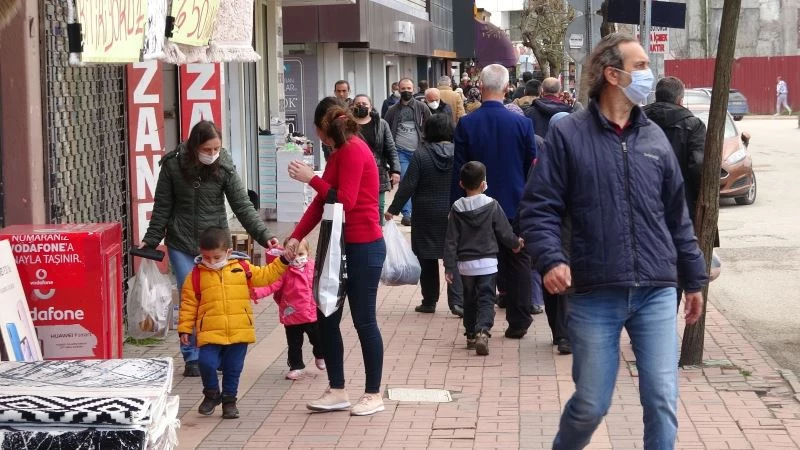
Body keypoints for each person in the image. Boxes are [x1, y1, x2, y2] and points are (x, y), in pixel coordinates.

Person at [518, 33, 707, 449]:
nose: (649, 74)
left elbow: (678, 218)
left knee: (661, 397)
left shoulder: (655, 137)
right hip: (594, 291)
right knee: (591, 403)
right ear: (612, 75)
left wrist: (693, 279)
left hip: (656, 290)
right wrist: (550, 259)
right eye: (640, 66)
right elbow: (538, 207)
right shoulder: (568, 135)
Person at [142, 120, 279, 378]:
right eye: (207, 149)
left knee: (214, 297)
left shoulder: (224, 166)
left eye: (216, 148)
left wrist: (264, 236)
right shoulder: (173, 165)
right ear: (195, 146)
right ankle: (192, 355)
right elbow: (162, 206)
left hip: (215, 245)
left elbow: (242, 205)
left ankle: (212, 351)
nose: (213, 153)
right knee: (190, 294)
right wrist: (151, 239)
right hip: (181, 241)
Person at [285, 98, 386, 416]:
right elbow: (322, 201)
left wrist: (310, 178)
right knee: (326, 316)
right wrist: (296, 235)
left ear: (321, 130)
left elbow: (346, 200)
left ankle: (373, 394)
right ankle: (338, 389)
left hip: (364, 246)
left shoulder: (354, 151)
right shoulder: (339, 153)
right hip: (341, 246)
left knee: (364, 320)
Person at [452, 64, 537, 340]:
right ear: (506, 87)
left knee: (476, 264)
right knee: (518, 260)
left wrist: (457, 205)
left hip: (475, 206)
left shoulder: (467, 124)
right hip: (514, 201)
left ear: (481, 85)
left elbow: (459, 169)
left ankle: (476, 322)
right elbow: (529, 164)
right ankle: (519, 319)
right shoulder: (522, 124)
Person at [178, 226, 290, 419]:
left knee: (233, 368)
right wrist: (185, 329)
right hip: (210, 331)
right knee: (205, 362)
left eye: (216, 257)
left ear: (228, 253)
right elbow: (188, 303)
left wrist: (284, 260)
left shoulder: (243, 268)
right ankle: (212, 393)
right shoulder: (195, 275)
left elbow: (266, 275)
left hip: (239, 331)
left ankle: (229, 401)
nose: (211, 262)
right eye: (206, 257)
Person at [643, 76, 714, 310]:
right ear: (680, 99)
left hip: (641, 204)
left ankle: (645, 321)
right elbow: (698, 168)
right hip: (679, 207)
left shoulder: (638, 119)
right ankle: (665, 318)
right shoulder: (692, 125)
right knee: (676, 265)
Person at [385, 113, 464, 317]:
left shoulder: (421, 154)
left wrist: (393, 209)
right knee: (453, 255)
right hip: (453, 212)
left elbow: (408, 185)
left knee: (426, 258)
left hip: (426, 213)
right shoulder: (459, 153)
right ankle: (457, 302)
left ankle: (429, 301)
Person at [444, 161, 523, 356]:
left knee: (469, 300)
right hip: (488, 262)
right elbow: (504, 231)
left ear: (461, 184)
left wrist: (449, 266)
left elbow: (451, 240)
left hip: (465, 265)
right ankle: (482, 331)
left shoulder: (456, 208)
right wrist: (516, 244)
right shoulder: (492, 205)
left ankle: (470, 333)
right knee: (487, 298)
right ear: (484, 183)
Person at [252, 238, 324, 381]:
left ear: (308, 252)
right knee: (294, 344)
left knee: (319, 339)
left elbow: (324, 283)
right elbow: (270, 284)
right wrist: (255, 292)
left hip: (312, 313)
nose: (297, 258)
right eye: (293, 255)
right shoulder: (283, 271)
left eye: (300, 253)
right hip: (292, 315)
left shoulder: (314, 267)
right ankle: (296, 366)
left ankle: (320, 355)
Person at [384, 78, 432, 227]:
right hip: (400, 152)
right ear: (398, 89)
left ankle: (418, 211)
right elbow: (385, 129)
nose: (406, 91)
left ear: (414, 89)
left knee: (420, 183)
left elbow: (430, 125)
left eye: (409, 88)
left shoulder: (422, 107)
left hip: (419, 151)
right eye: (403, 88)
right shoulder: (392, 110)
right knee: (405, 181)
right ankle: (407, 214)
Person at [352, 94, 401, 224]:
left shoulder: (381, 124)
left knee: (378, 206)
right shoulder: (347, 125)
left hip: (377, 171)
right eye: (358, 104)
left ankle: (377, 234)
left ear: (371, 107)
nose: (361, 106)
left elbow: (390, 148)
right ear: (352, 106)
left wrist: (395, 170)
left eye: (364, 104)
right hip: (355, 172)